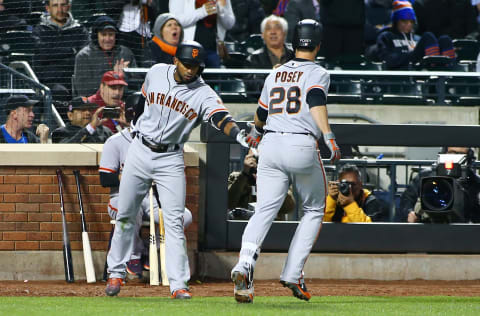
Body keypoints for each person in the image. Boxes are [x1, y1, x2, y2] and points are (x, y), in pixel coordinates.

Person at [104, 40, 255, 298]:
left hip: (171, 158)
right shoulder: (155, 72)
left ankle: (178, 285)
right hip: (139, 150)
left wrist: (237, 133)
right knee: (126, 215)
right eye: (187, 64)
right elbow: (142, 100)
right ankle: (116, 274)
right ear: (176, 60)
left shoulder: (203, 92)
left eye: (196, 66)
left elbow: (220, 117)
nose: (190, 70)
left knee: (173, 221)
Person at [230, 19, 341, 303]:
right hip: (300, 142)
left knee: (264, 210)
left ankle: (245, 262)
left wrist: (254, 134)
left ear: (293, 43)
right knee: (314, 209)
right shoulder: (318, 71)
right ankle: (293, 273)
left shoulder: (275, 73)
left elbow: (260, 114)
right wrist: (328, 134)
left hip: (270, 144)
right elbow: (316, 100)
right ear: (318, 44)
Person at [99, 97, 192, 278]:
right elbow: (106, 178)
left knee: (184, 216)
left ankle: (154, 250)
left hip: (154, 199)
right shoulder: (116, 141)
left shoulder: (166, 142)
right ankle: (133, 255)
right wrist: (136, 177)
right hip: (122, 196)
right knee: (131, 212)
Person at [397, 147, 480, 223]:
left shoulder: (474, 181)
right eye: (452, 153)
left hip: (461, 229)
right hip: (428, 226)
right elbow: (407, 199)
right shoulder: (426, 176)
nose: (456, 157)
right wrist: (409, 213)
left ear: (469, 157)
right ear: (444, 152)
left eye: (461, 154)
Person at [32, 0, 89, 98]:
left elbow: (83, 56)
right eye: (55, 5)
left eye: (63, 5)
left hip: (76, 81)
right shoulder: (40, 30)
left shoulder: (80, 30)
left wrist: (54, 52)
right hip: (49, 82)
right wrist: (70, 51)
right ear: (48, 8)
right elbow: (42, 55)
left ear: (69, 6)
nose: (59, 9)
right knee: (60, 93)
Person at [376, 0, 456, 70]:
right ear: (396, 21)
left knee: (445, 39)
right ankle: (433, 66)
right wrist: (411, 55)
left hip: (421, 69)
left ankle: (449, 70)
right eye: (404, 21)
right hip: (402, 70)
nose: (408, 25)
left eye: (411, 22)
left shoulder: (417, 38)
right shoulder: (387, 36)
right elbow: (387, 59)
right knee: (428, 36)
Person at [74, 15, 137, 97]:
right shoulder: (83, 56)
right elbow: (84, 90)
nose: (107, 39)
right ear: (96, 36)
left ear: (116, 36)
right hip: (95, 104)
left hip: (123, 100)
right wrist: (113, 75)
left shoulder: (126, 53)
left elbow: (137, 83)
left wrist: (124, 77)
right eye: (103, 34)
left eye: (111, 34)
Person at [228, 149, 296, 220]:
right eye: (255, 158)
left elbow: (288, 207)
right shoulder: (236, 178)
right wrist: (244, 175)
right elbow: (229, 203)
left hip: (272, 227)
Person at [169, 0, 235, 68]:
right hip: (189, 49)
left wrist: (222, 9)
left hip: (213, 50)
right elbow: (175, 20)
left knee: (214, 77)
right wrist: (203, 11)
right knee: (190, 76)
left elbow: (229, 24)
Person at [324, 164, 389, 223]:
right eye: (345, 184)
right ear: (338, 184)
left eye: (353, 184)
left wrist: (349, 204)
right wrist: (331, 200)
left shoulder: (370, 201)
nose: (350, 188)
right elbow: (320, 226)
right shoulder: (334, 199)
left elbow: (369, 229)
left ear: (360, 185)